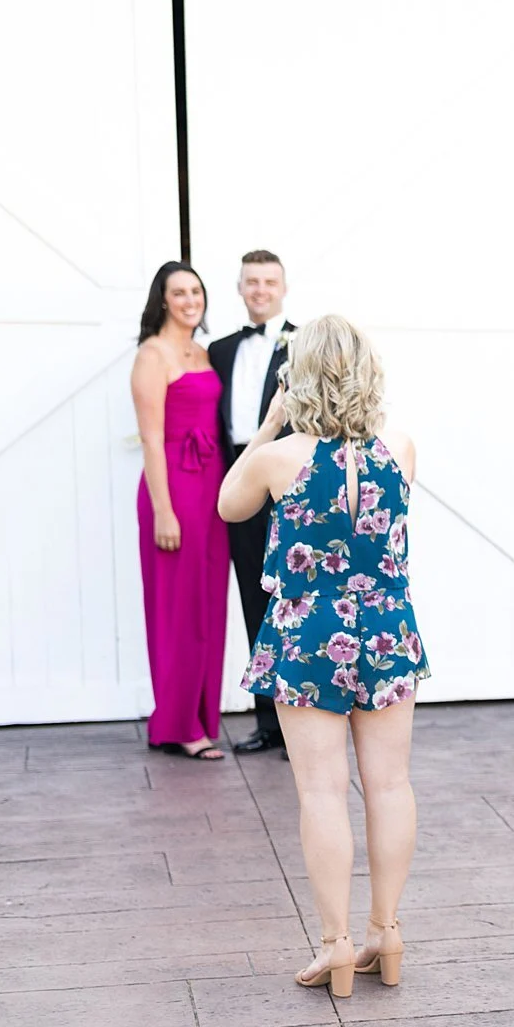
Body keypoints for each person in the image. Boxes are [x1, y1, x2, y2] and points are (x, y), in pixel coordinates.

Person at [216, 316, 428, 998]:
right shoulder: (400, 446)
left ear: (296, 376)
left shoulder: (282, 457)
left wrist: (268, 424)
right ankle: (385, 931)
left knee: (320, 789)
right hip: (387, 626)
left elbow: (228, 505)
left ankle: (337, 944)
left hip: (310, 632)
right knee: (390, 783)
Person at [132, 261, 228, 761]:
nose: (191, 299)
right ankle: (176, 723)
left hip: (212, 488)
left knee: (209, 605)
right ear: (163, 300)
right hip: (173, 485)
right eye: (179, 292)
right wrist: (163, 510)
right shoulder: (153, 354)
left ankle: (203, 717)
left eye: (196, 291)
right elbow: (150, 438)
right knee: (178, 608)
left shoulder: (204, 352)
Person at [208, 250, 298, 756]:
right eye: (251, 282)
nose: (260, 290)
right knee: (253, 600)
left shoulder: (306, 342)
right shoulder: (220, 350)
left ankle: (302, 719)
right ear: (240, 289)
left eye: (269, 281)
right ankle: (269, 722)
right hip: (241, 476)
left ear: (283, 287)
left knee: (295, 598)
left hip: (288, 478)